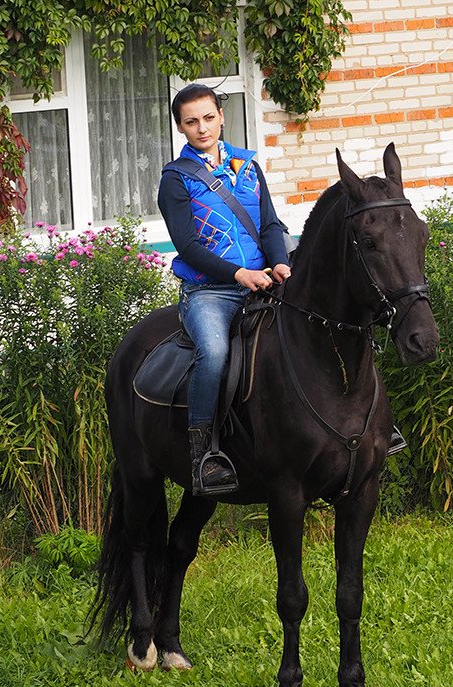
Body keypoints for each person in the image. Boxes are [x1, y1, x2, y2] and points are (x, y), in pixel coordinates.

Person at [158, 83, 291, 495]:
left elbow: (269, 225)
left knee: (322, 319)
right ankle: (204, 455)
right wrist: (238, 274)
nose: (202, 128)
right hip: (209, 292)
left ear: (221, 115)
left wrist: (281, 260)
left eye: (208, 117)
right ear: (181, 128)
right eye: (191, 122)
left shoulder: (248, 167)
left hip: (265, 281)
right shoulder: (176, 180)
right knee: (214, 352)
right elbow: (190, 248)